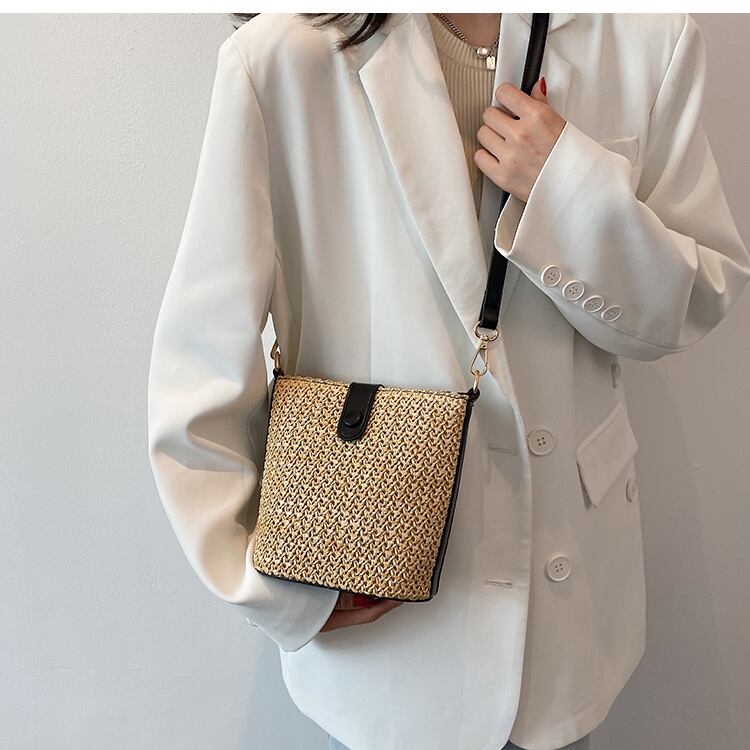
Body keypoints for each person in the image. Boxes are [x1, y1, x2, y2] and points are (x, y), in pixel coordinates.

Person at [146, 12, 750, 750]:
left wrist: (567, 188)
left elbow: (691, 302)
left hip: (565, 611)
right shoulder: (281, 58)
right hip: (374, 590)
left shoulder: (645, 36)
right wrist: (266, 587)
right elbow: (201, 357)